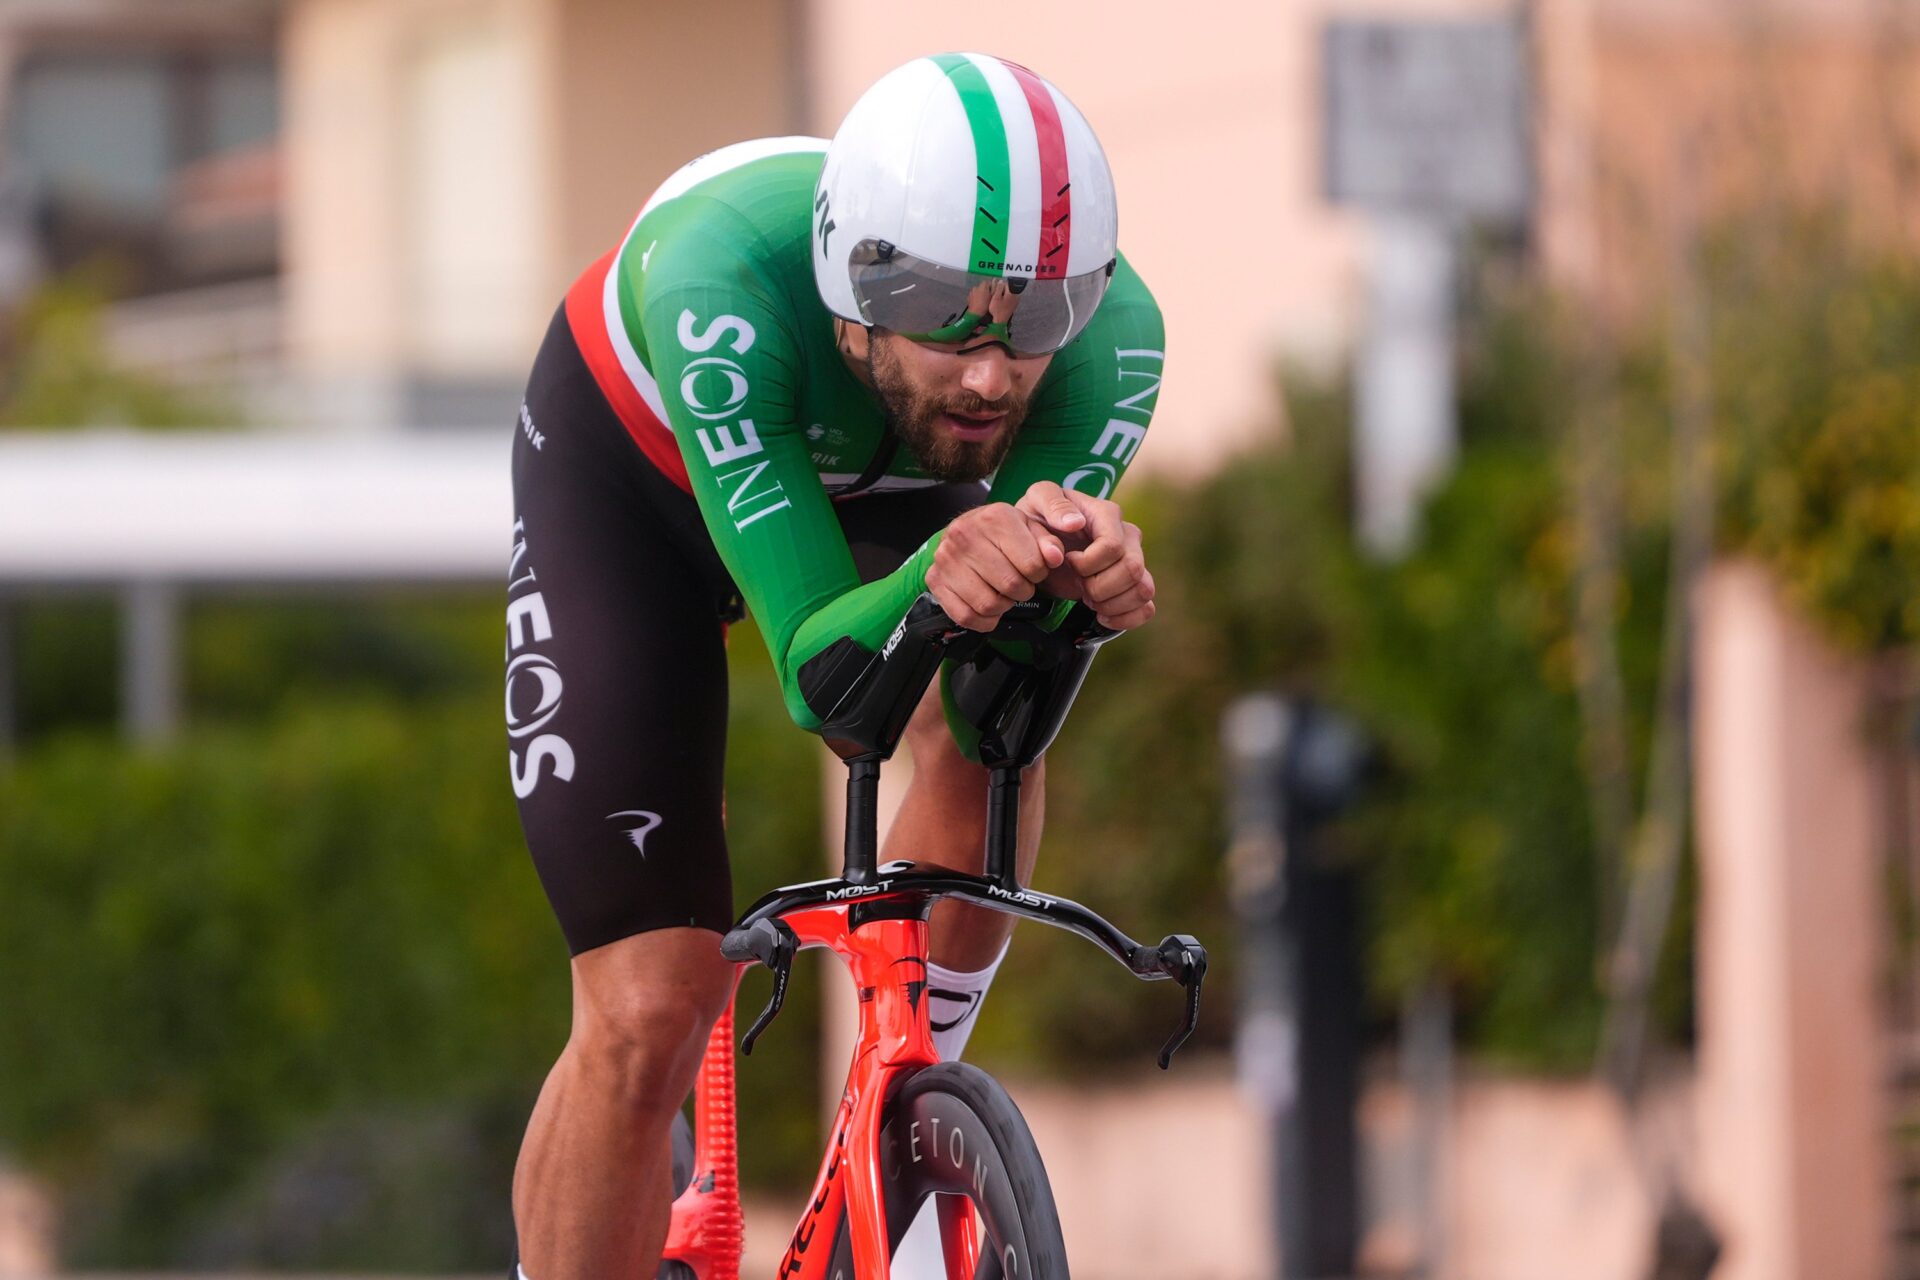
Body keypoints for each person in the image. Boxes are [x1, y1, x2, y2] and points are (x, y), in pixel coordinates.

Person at [504, 52, 1164, 1279]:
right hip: (635, 480)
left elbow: (997, 677)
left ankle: (912, 1119)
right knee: (652, 1005)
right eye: (950, 321)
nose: (990, 373)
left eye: (1032, 323)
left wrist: (1081, 588)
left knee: (993, 724)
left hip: (885, 475)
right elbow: (826, 688)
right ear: (853, 288)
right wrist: (938, 569)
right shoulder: (722, 282)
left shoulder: (1112, 341)